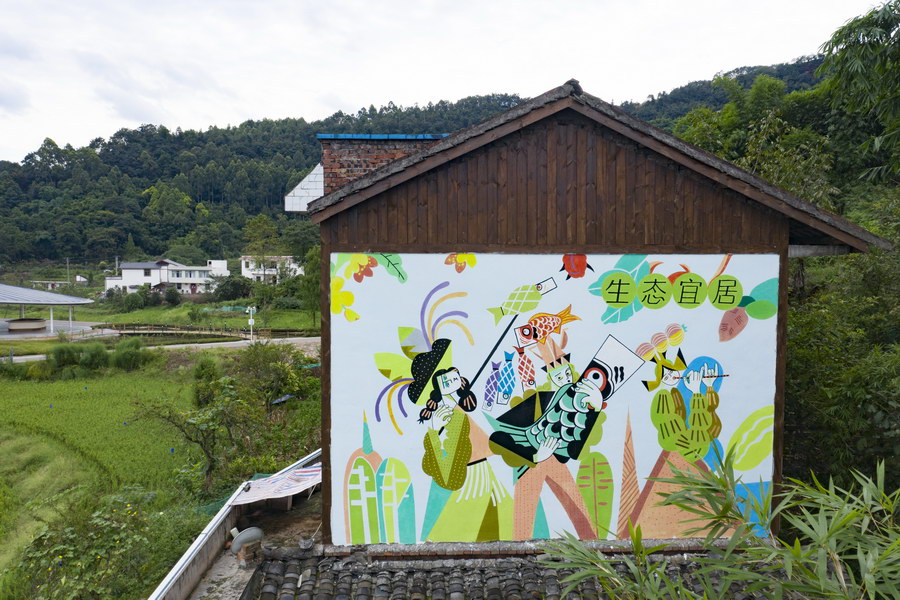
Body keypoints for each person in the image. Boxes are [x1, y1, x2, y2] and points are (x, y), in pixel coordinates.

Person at [409, 339, 513, 541]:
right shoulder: (444, 410)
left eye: (454, 379)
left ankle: (500, 535)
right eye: (446, 382)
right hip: (469, 464)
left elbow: (473, 409)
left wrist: (463, 392)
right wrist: (436, 426)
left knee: (495, 498)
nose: (452, 383)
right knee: (475, 497)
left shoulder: (457, 404)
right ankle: (445, 537)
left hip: (479, 461)